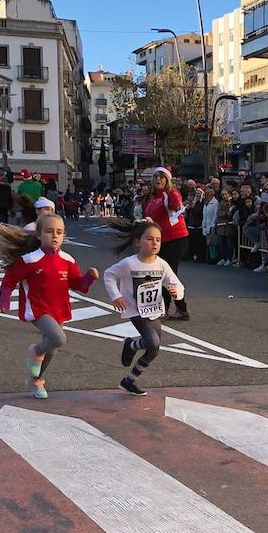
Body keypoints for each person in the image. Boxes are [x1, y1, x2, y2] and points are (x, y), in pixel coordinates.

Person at [0, 212, 99, 399]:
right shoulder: (30, 260)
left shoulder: (68, 260)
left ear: (64, 236)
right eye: (49, 231)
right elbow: (9, 280)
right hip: (37, 308)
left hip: (59, 308)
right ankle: (35, 350)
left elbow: (78, 285)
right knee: (58, 338)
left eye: (59, 232)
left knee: (52, 349)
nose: (55, 236)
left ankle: (36, 380)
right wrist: (4, 300)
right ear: (39, 235)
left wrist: (89, 278)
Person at [103, 220, 185, 396]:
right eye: (149, 239)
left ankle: (129, 379)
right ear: (137, 241)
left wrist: (175, 292)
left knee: (154, 349)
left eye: (158, 240)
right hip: (135, 310)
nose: (154, 243)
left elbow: (177, 285)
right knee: (152, 341)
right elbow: (109, 275)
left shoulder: (161, 264)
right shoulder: (129, 264)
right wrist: (116, 296)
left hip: (154, 309)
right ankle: (131, 345)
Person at [141, 167, 190, 320]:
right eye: (156, 177)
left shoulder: (171, 194)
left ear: (167, 180)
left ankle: (173, 309)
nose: (158, 180)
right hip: (160, 239)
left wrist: (177, 208)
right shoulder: (151, 197)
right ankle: (173, 309)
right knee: (159, 274)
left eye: (161, 177)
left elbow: (178, 207)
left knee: (168, 274)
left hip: (176, 238)